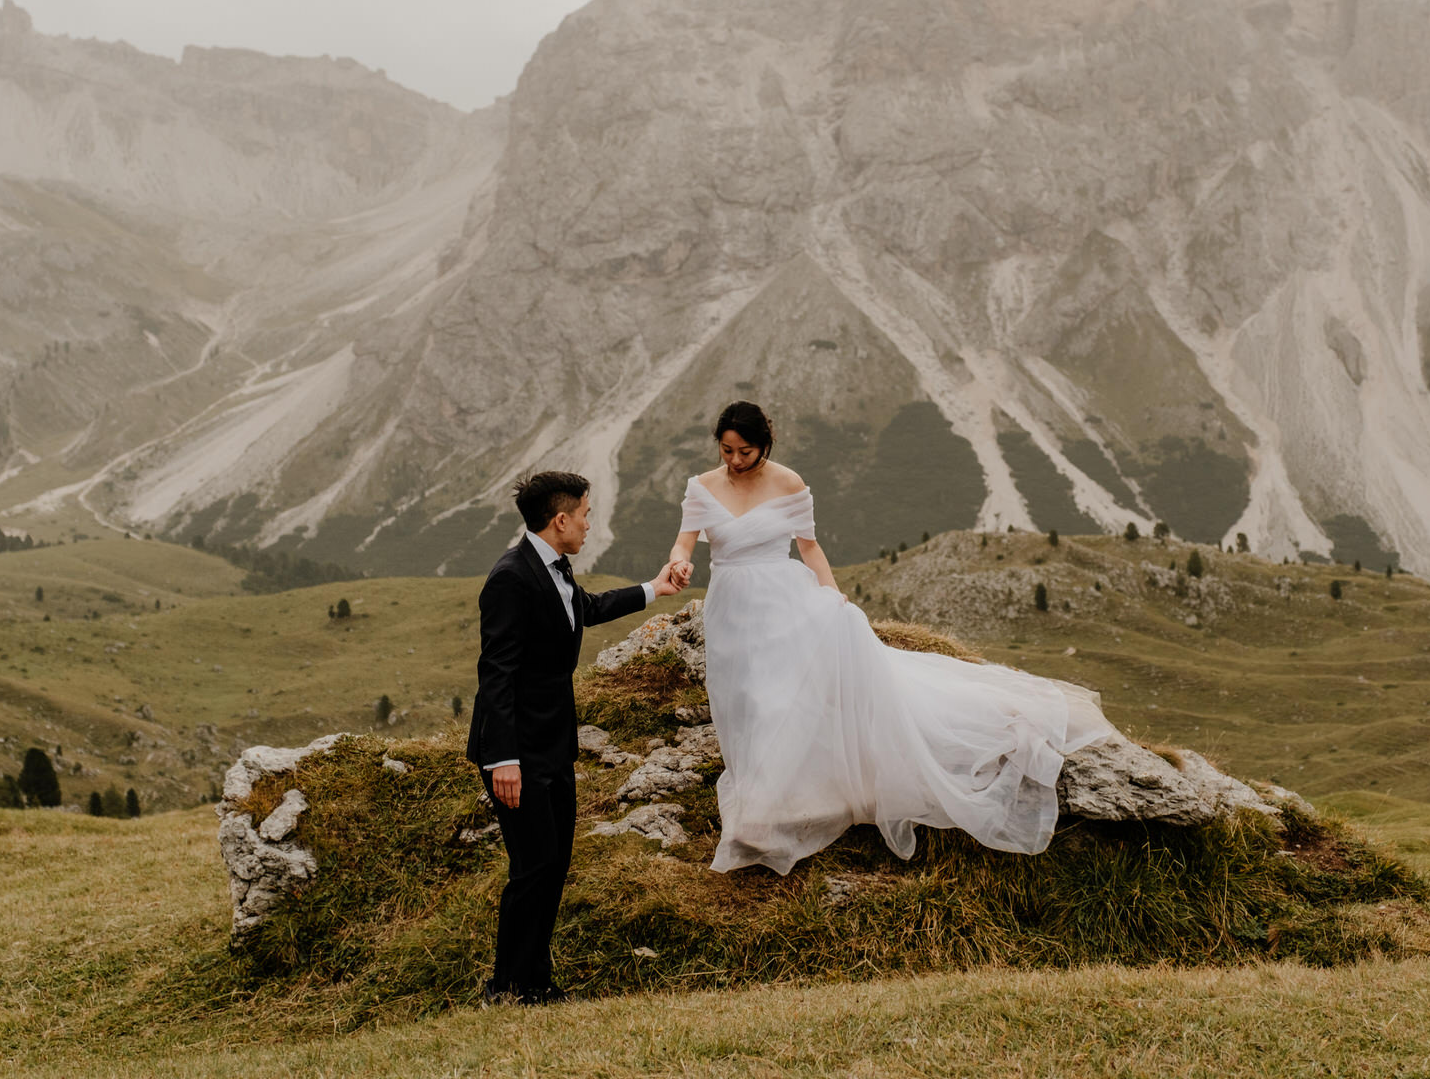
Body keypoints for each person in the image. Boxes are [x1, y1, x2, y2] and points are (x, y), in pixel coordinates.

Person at [667, 401, 1116, 875]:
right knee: (742, 698)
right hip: (731, 607)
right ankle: (763, 792)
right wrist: (679, 562)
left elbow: (809, 547)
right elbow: (684, 540)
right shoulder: (703, 486)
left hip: (784, 601)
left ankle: (764, 810)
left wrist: (833, 596)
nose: (735, 461)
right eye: (727, 450)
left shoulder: (789, 483)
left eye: (746, 451)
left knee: (777, 697)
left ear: (765, 445)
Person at [467, 470, 688, 1005]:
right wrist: (503, 759)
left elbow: (583, 608)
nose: (590, 525)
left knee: (552, 865)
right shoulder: (510, 578)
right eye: (586, 515)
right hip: (517, 753)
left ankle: (536, 983)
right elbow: (496, 673)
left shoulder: (554, 568)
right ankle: (507, 987)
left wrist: (653, 589)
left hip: (553, 745)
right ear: (561, 520)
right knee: (532, 868)